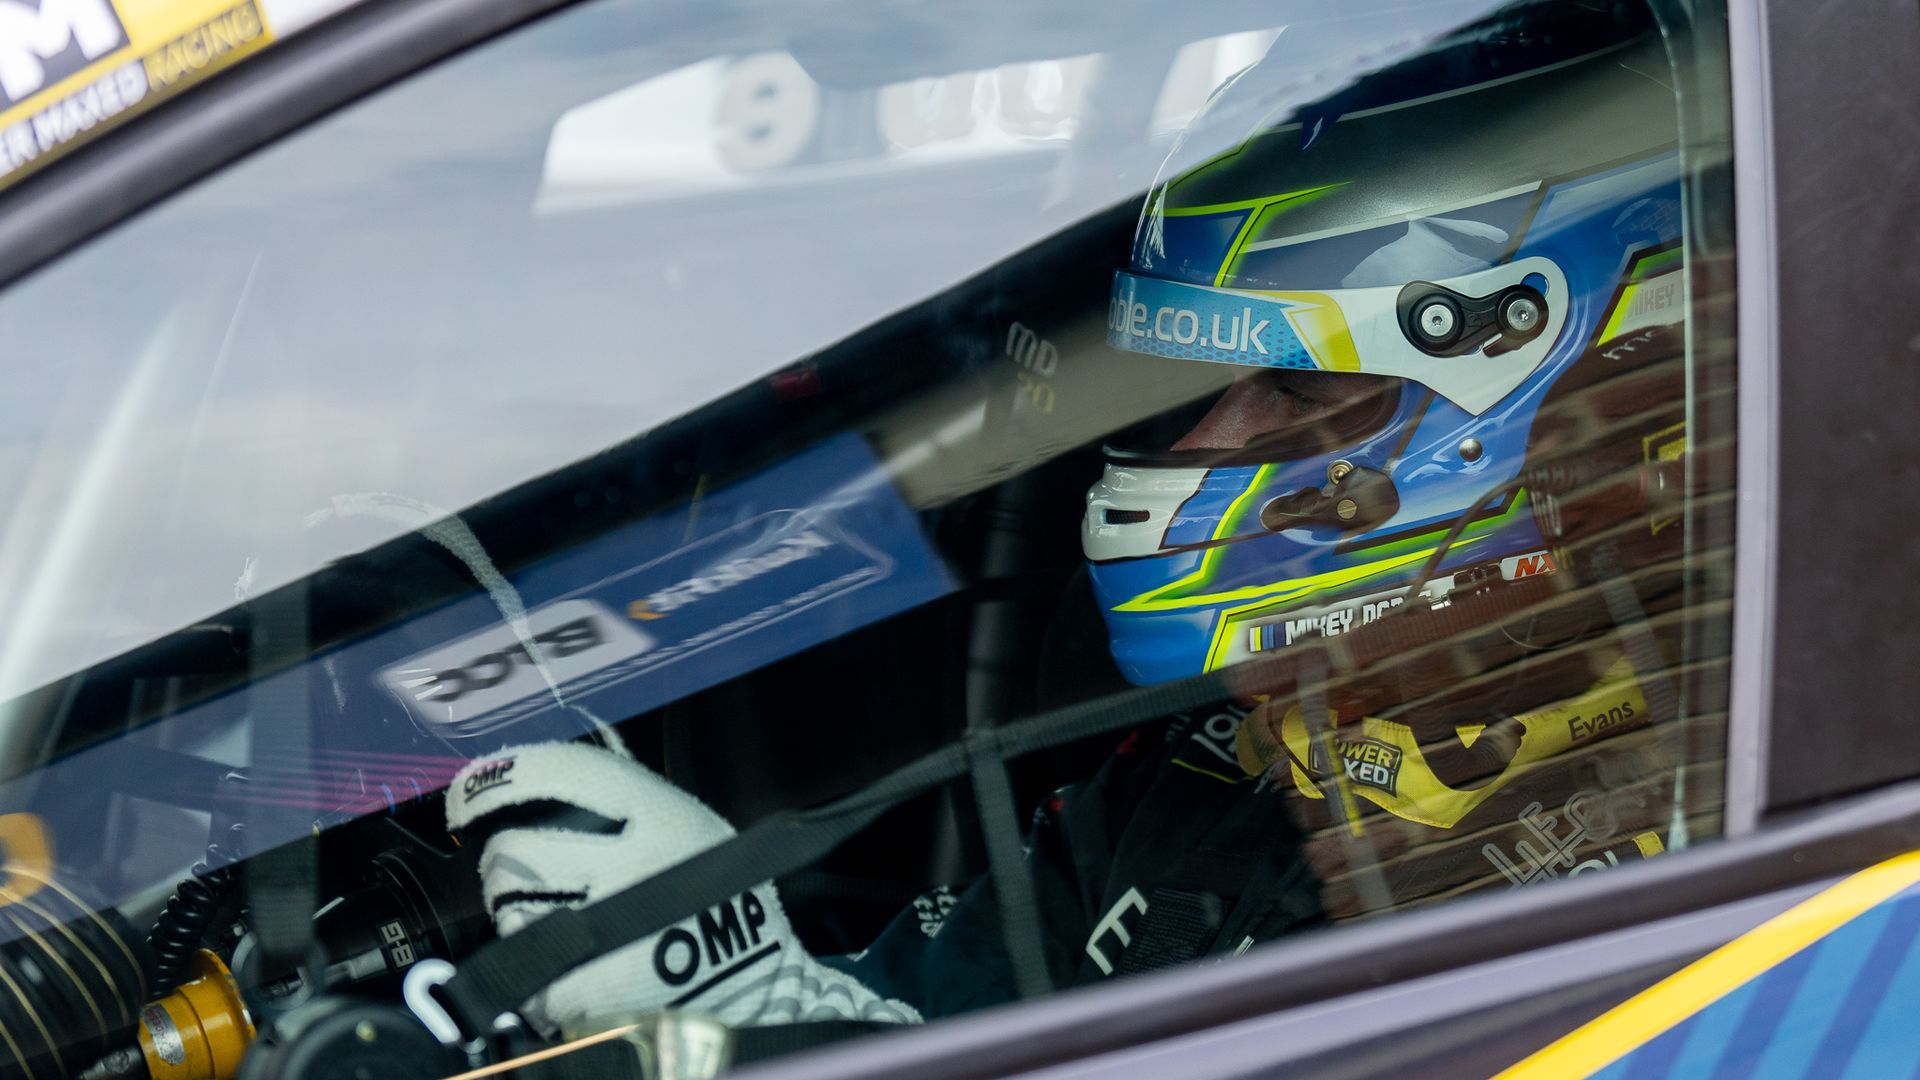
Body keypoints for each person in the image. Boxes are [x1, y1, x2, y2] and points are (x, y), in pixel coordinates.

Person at [446, 0, 1704, 1035]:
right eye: (1206, 392)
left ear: (1584, 368)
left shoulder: (1732, 829)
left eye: (1300, 391)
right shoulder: (1213, 772)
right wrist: (760, 1007)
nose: (1201, 449)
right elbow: (913, 1025)